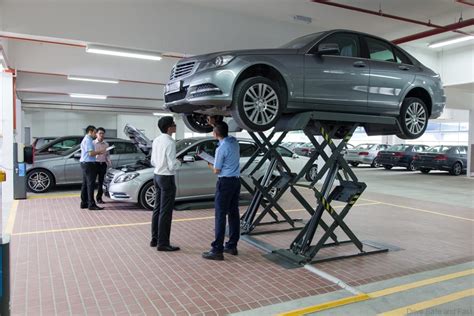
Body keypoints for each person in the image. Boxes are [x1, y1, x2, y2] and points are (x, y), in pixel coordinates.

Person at [202, 122, 241, 261]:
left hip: (224, 183)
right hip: (236, 181)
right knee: (233, 214)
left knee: (220, 215)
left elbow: (216, 170)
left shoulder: (221, 148)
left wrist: (209, 164)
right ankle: (232, 245)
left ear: (215, 134)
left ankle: (217, 250)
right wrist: (214, 122)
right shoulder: (234, 142)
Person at [150, 116, 180, 252]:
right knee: (165, 212)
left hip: (157, 176)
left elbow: (153, 161)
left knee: (157, 209)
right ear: (169, 128)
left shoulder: (156, 140)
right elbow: (172, 165)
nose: (176, 126)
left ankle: (155, 239)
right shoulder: (170, 142)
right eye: (174, 124)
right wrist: (179, 162)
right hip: (167, 178)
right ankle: (163, 243)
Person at [80, 125, 106, 211]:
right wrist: (100, 152)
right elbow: (91, 153)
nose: (95, 134)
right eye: (95, 132)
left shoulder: (85, 139)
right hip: (89, 164)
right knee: (90, 184)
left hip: (84, 163)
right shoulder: (88, 140)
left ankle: (84, 203)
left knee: (85, 184)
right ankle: (91, 204)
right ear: (90, 132)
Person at [94, 127, 112, 204]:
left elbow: (107, 154)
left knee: (101, 182)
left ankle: (99, 198)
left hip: (103, 164)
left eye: (103, 133)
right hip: (94, 164)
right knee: (92, 182)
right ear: (96, 134)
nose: (101, 135)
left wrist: (109, 161)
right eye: (100, 133)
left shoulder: (106, 144)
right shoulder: (92, 143)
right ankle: (90, 199)